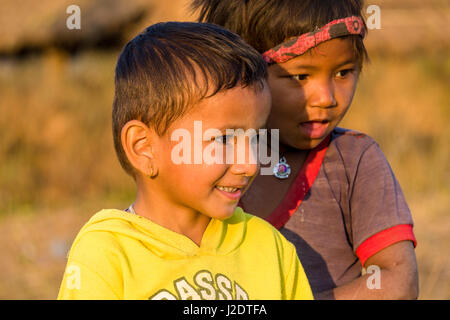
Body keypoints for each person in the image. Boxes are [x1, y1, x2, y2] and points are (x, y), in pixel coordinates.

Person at [57, 22, 313, 300]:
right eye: (224, 140)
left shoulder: (271, 249)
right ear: (143, 147)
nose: (250, 164)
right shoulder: (107, 256)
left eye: (255, 138)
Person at [191, 0, 419, 299]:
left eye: (343, 72)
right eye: (300, 77)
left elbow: (398, 280)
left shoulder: (354, 160)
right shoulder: (198, 163)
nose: (326, 98)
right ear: (241, 74)